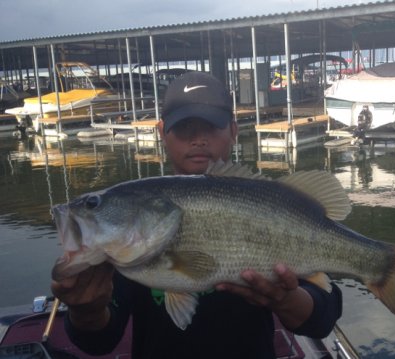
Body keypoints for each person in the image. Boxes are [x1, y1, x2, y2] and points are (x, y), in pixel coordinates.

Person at [51, 71, 343, 358]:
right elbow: (99, 341)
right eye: (184, 127)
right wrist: (86, 310)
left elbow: (325, 315)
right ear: (162, 132)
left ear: (233, 130)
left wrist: (288, 300)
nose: (198, 139)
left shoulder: (273, 204)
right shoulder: (125, 239)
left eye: (211, 126)